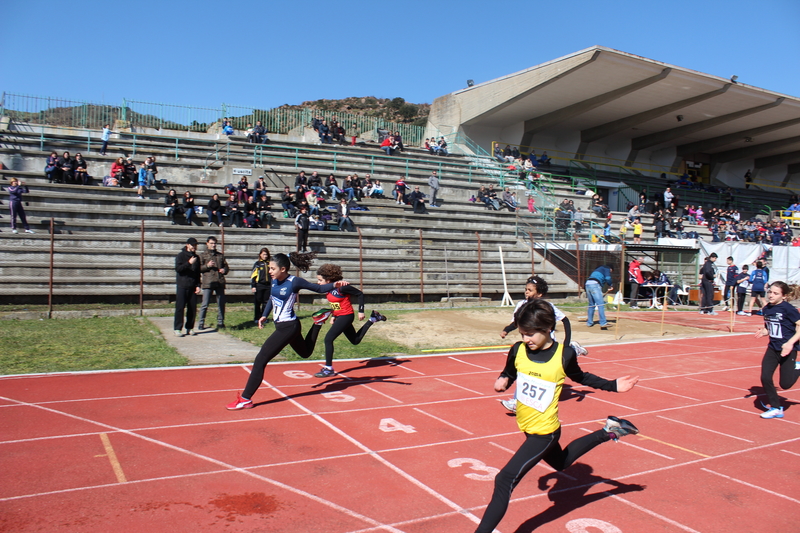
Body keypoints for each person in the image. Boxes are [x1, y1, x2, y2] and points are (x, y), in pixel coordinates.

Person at [474, 299, 639, 533]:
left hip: (544, 432)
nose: (526, 339)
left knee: (504, 479)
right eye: (523, 334)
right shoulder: (517, 349)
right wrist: (503, 380)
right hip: (527, 425)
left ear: (547, 329)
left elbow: (581, 378)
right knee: (561, 463)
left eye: (530, 334)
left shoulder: (564, 355)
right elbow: (510, 370)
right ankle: (609, 431)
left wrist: (612, 385)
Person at [226, 252, 348, 410]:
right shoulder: (275, 281)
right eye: (270, 268)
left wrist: (334, 285)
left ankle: (245, 399)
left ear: (283, 269)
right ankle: (317, 323)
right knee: (305, 353)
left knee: (260, 360)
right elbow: (272, 298)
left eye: (272, 268)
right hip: (287, 326)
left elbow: (317, 287)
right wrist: (264, 315)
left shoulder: (294, 282)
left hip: (288, 327)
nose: (269, 271)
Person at [498, 275, 589, 412]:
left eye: (530, 290)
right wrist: (506, 330)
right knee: (525, 371)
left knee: (535, 371)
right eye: (526, 289)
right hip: (531, 345)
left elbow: (565, 320)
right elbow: (517, 322)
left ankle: (573, 349)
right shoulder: (521, 305)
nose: (526, 292)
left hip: (547, 345)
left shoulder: (548, 307)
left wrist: (566, 344)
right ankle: (517, 402)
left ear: (539, 294)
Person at [305, 263, 388, 378]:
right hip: (340, 316)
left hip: (346, 316)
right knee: (355, 340)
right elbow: (335, 303)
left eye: (320, 280)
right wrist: (334, 315)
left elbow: (360, 294)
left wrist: (361, 311)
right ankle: (373, 319)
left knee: (328, 339)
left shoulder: (342, 287)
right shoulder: (329, 289)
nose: (318, 283)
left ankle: (328, 368)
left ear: (328, 280)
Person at [754, 281, 800, 419]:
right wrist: (765, 331)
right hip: (773, 348)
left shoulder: (788, 309)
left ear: (784, 296)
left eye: (775, 293)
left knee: (785, 385)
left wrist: (790, 343)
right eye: (770, 292)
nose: (771, 295)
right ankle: (776, 408)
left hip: (787, 349)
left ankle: (797, 367)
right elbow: (772, 326)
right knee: (765, 377)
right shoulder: (767, 308)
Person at [198, 236, 229, 330]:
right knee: (205, 303)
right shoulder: (203, 255)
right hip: (208, 282)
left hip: (219, 281)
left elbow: (226, 266)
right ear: (207, 243)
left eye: (215, 243)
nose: (213, 245)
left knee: (221, 303)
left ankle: (220, 322)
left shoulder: (220, 255)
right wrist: (207, 266)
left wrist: (224, 270)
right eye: (211, 243)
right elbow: (198, 268)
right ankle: (201, 322)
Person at [174, 237, 201, 337]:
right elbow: (178, 269)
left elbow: (197, 273)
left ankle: (189, 327)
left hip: (192, 286)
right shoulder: (180, 256)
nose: (194, 247)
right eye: (192, 245)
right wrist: (189, 263)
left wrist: (198, 285)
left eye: (195, 245)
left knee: (192, 308)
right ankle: (177, 328)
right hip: (182, 285)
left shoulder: (196, 257)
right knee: (180, 308)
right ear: (188, 245)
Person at [585, 264, 614, 329]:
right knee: (600, 304)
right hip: (595, 285)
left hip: (588, 284)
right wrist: (610, 285)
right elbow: (608, 278)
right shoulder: (607, 268)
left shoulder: (598, 269)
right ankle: (603, 323)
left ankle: (589, 322)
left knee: (591, 305)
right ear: (611, 269)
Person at [250, 248, 272, 324]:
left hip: (268, 285)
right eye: (263, 254)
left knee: (266, 303)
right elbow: (253, 275)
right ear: (260, 255)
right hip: (259, 285)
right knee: (258, 302)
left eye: (266, 254)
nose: (265, 256)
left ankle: (263, 317)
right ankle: (256, 317)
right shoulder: (258, 264)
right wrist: (253, 286)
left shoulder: (270, 263)